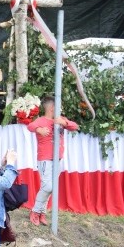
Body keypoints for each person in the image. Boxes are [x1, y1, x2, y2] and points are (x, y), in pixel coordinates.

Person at [26, 95, 78, 225]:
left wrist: (64, 122)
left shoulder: (60, 119)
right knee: (48, 186)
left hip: (57, 160)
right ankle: (35, 211)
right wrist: (39, 129)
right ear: (52, 107)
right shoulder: (41, 120)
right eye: (58, 106)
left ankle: (42, 213)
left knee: (51, 187)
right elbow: (30, 126)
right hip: (45, 159)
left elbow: (75, 126)